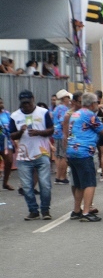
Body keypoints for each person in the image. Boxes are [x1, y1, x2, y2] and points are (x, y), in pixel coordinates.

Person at [9, 90, 54, 220]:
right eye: (23, 103)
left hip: (42, 153)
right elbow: (11, 134)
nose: (26, 106)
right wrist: (20, 132)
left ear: (33, 99)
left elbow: (51, 130)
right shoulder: (15, 116)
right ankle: (33, 210)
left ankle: (45, 210)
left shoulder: (43, 112)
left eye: (28, 102)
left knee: (45, 185)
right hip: (23, 156)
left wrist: (39, 132)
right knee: (27, 187)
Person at [67, 92, 103, 222]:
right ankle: (86, 212)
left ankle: (76, 210)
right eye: (97, 103)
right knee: (90, 182)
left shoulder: (75, 113)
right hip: (84, 151)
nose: (98, 105)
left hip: (72, 150)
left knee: (79, 183)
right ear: (92, 104)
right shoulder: (89, 115)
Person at [52, 89, 72, 185]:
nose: (69, 100)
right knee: (63, 156)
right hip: (61, 133)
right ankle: (62, 177)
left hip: (56, 133)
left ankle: (58, 176)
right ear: (64, 98)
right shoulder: (64, 109)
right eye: (68, 98)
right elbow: (63, 122)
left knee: (58, 156)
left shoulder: (56, 108)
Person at [0, 98, 16, 190]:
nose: (1, 104)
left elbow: (12, 126)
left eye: (2, 102)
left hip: (6, 141)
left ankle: (5, 183)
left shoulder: (7, 114)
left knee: (9, 161)